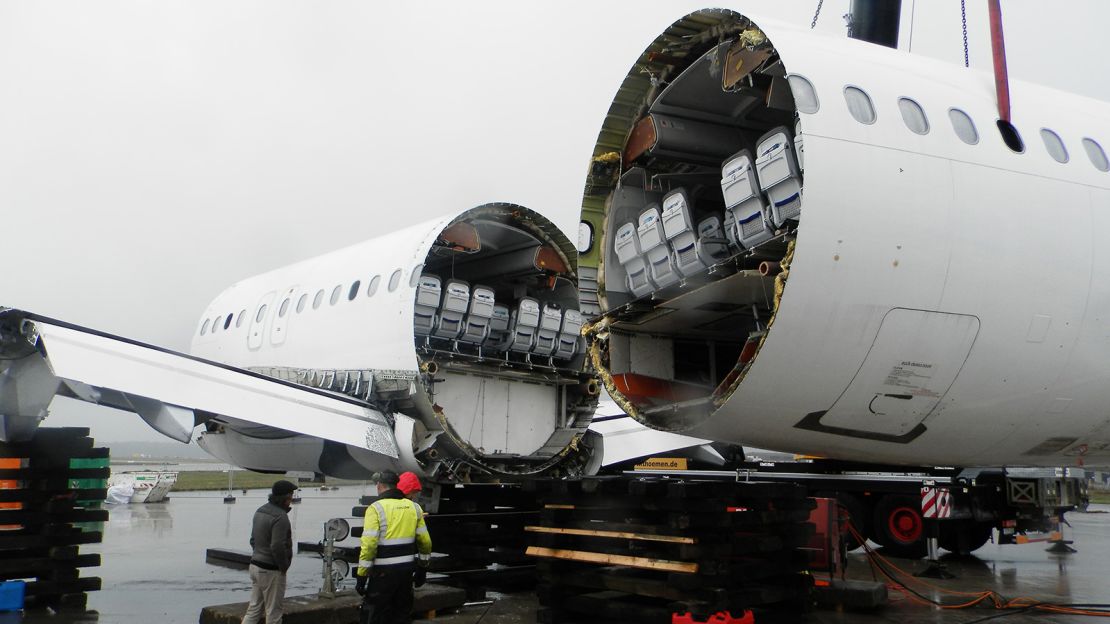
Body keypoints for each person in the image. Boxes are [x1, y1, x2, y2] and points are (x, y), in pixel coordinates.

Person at [356, 471, 432, 624]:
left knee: (373, 614)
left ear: (379, 486)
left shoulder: (375, 508)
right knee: (401, 614)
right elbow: (425, 542)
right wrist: (422, 568)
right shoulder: (414, 507)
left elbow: (369, 546)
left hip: (382, 574)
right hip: (406, 573)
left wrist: (362, 576)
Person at [242, 479, 298, 624]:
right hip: (271, 570)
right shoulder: (281, 517)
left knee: (253, 610)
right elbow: (277, 546)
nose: (292, 498)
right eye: (291, 495)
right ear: (285, 497)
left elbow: (253, 540)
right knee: (274, 614)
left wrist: (258, 554)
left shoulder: (260, 511)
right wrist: (283, 567)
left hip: (255, 565)